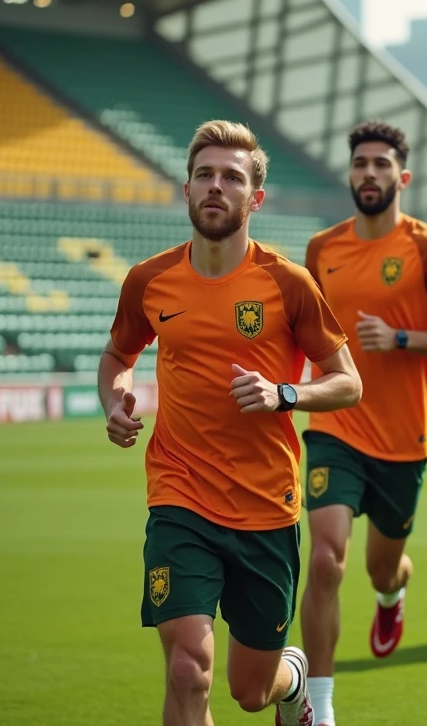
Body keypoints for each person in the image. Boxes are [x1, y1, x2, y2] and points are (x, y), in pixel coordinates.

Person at [100, 120, 363, 726]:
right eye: (204, 175)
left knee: (249, 690)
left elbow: (348, 381)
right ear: (186, 189)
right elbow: (118, 356)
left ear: (255, 197)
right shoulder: (149, 280)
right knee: (188, 668)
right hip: (179, 496)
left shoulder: (287, 283)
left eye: (232, 177)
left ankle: (291, 681)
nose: (216, 186)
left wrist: (284, 393)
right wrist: (115, 401)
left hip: (265, 506)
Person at [300, 121, 427, 726]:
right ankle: (319, 709)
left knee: (380, 565)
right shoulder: (323, 249)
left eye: (380, 164)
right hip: (334, 429)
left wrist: (404, 338)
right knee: (325, 561)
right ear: (350, 174)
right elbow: (305, 332)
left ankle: (392, 593)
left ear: (402, 177)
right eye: (359, 164)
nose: (368, 174)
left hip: (403, 441)